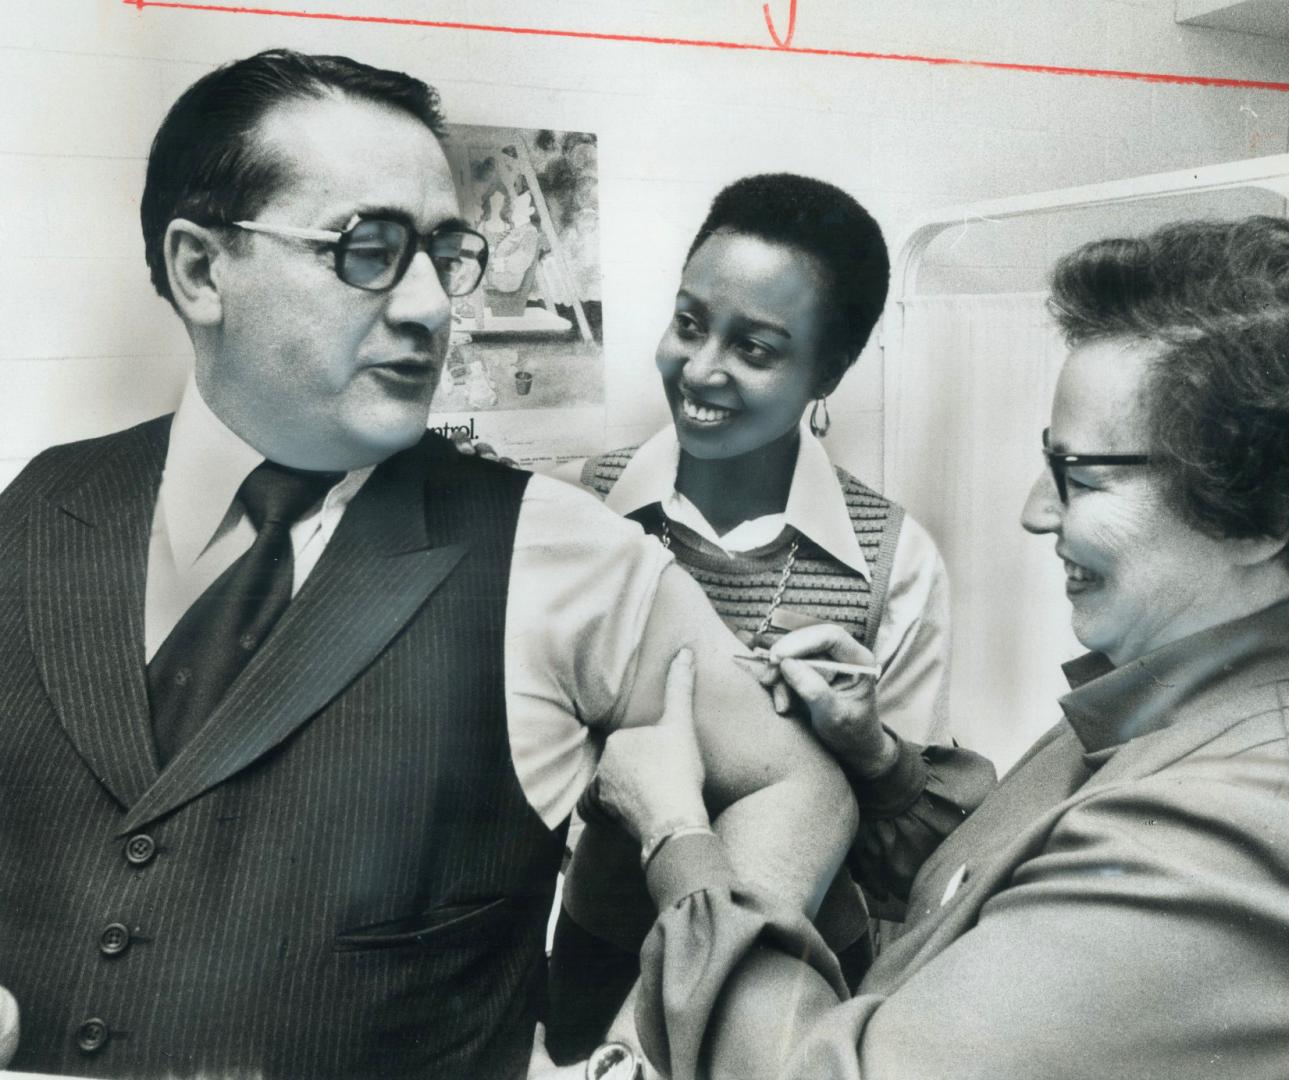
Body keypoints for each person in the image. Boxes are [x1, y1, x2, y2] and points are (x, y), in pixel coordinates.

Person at [0, 50, 853, 1080]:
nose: (429, 308)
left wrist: (649, 1044)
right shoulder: (43, 506)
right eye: (367, 250)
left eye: (441, 255)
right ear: (200, 268)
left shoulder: (557, 547)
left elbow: (794, 783)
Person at [592, 216, 1289, 1078]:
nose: (1034, 510)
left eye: (1080, 475)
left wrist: (676, 831)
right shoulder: (1191, 696)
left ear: (1265, 514)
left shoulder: (1247, 836)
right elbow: (985, 885)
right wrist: (875, 759)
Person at [546, 174, 951, 1060]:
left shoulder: (894, 559)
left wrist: (866, 747)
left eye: (755, 349)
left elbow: (903, 863)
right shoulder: (576, 514)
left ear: (828, 372)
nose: (701, 370)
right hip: (599, 949)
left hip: (791, 974)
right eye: (689, 324)